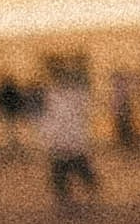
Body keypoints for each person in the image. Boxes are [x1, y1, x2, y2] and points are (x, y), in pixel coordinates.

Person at [40, 69, 100, 201]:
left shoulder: (68, 96)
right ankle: (66, 188)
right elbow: (49, 119)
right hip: (65, 139)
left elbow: (51, 119)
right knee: (66, 163)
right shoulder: (54, 96)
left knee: (71, 161)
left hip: (68, 138)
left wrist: (49, 135)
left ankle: (82, 184)